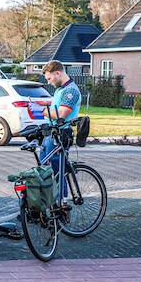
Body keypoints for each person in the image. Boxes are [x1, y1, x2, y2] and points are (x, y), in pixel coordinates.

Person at [40, 60, 81, 202]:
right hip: (51, 134)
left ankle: (62, 204)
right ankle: (47, 203)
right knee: (45, 171)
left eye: (49, 78)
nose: (49, 82)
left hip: (60, 135)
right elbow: (56, 108)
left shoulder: (70, 91)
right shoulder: (60, 90)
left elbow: (61, 114)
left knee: (57, 171)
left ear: (58, 73)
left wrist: (41, 111)